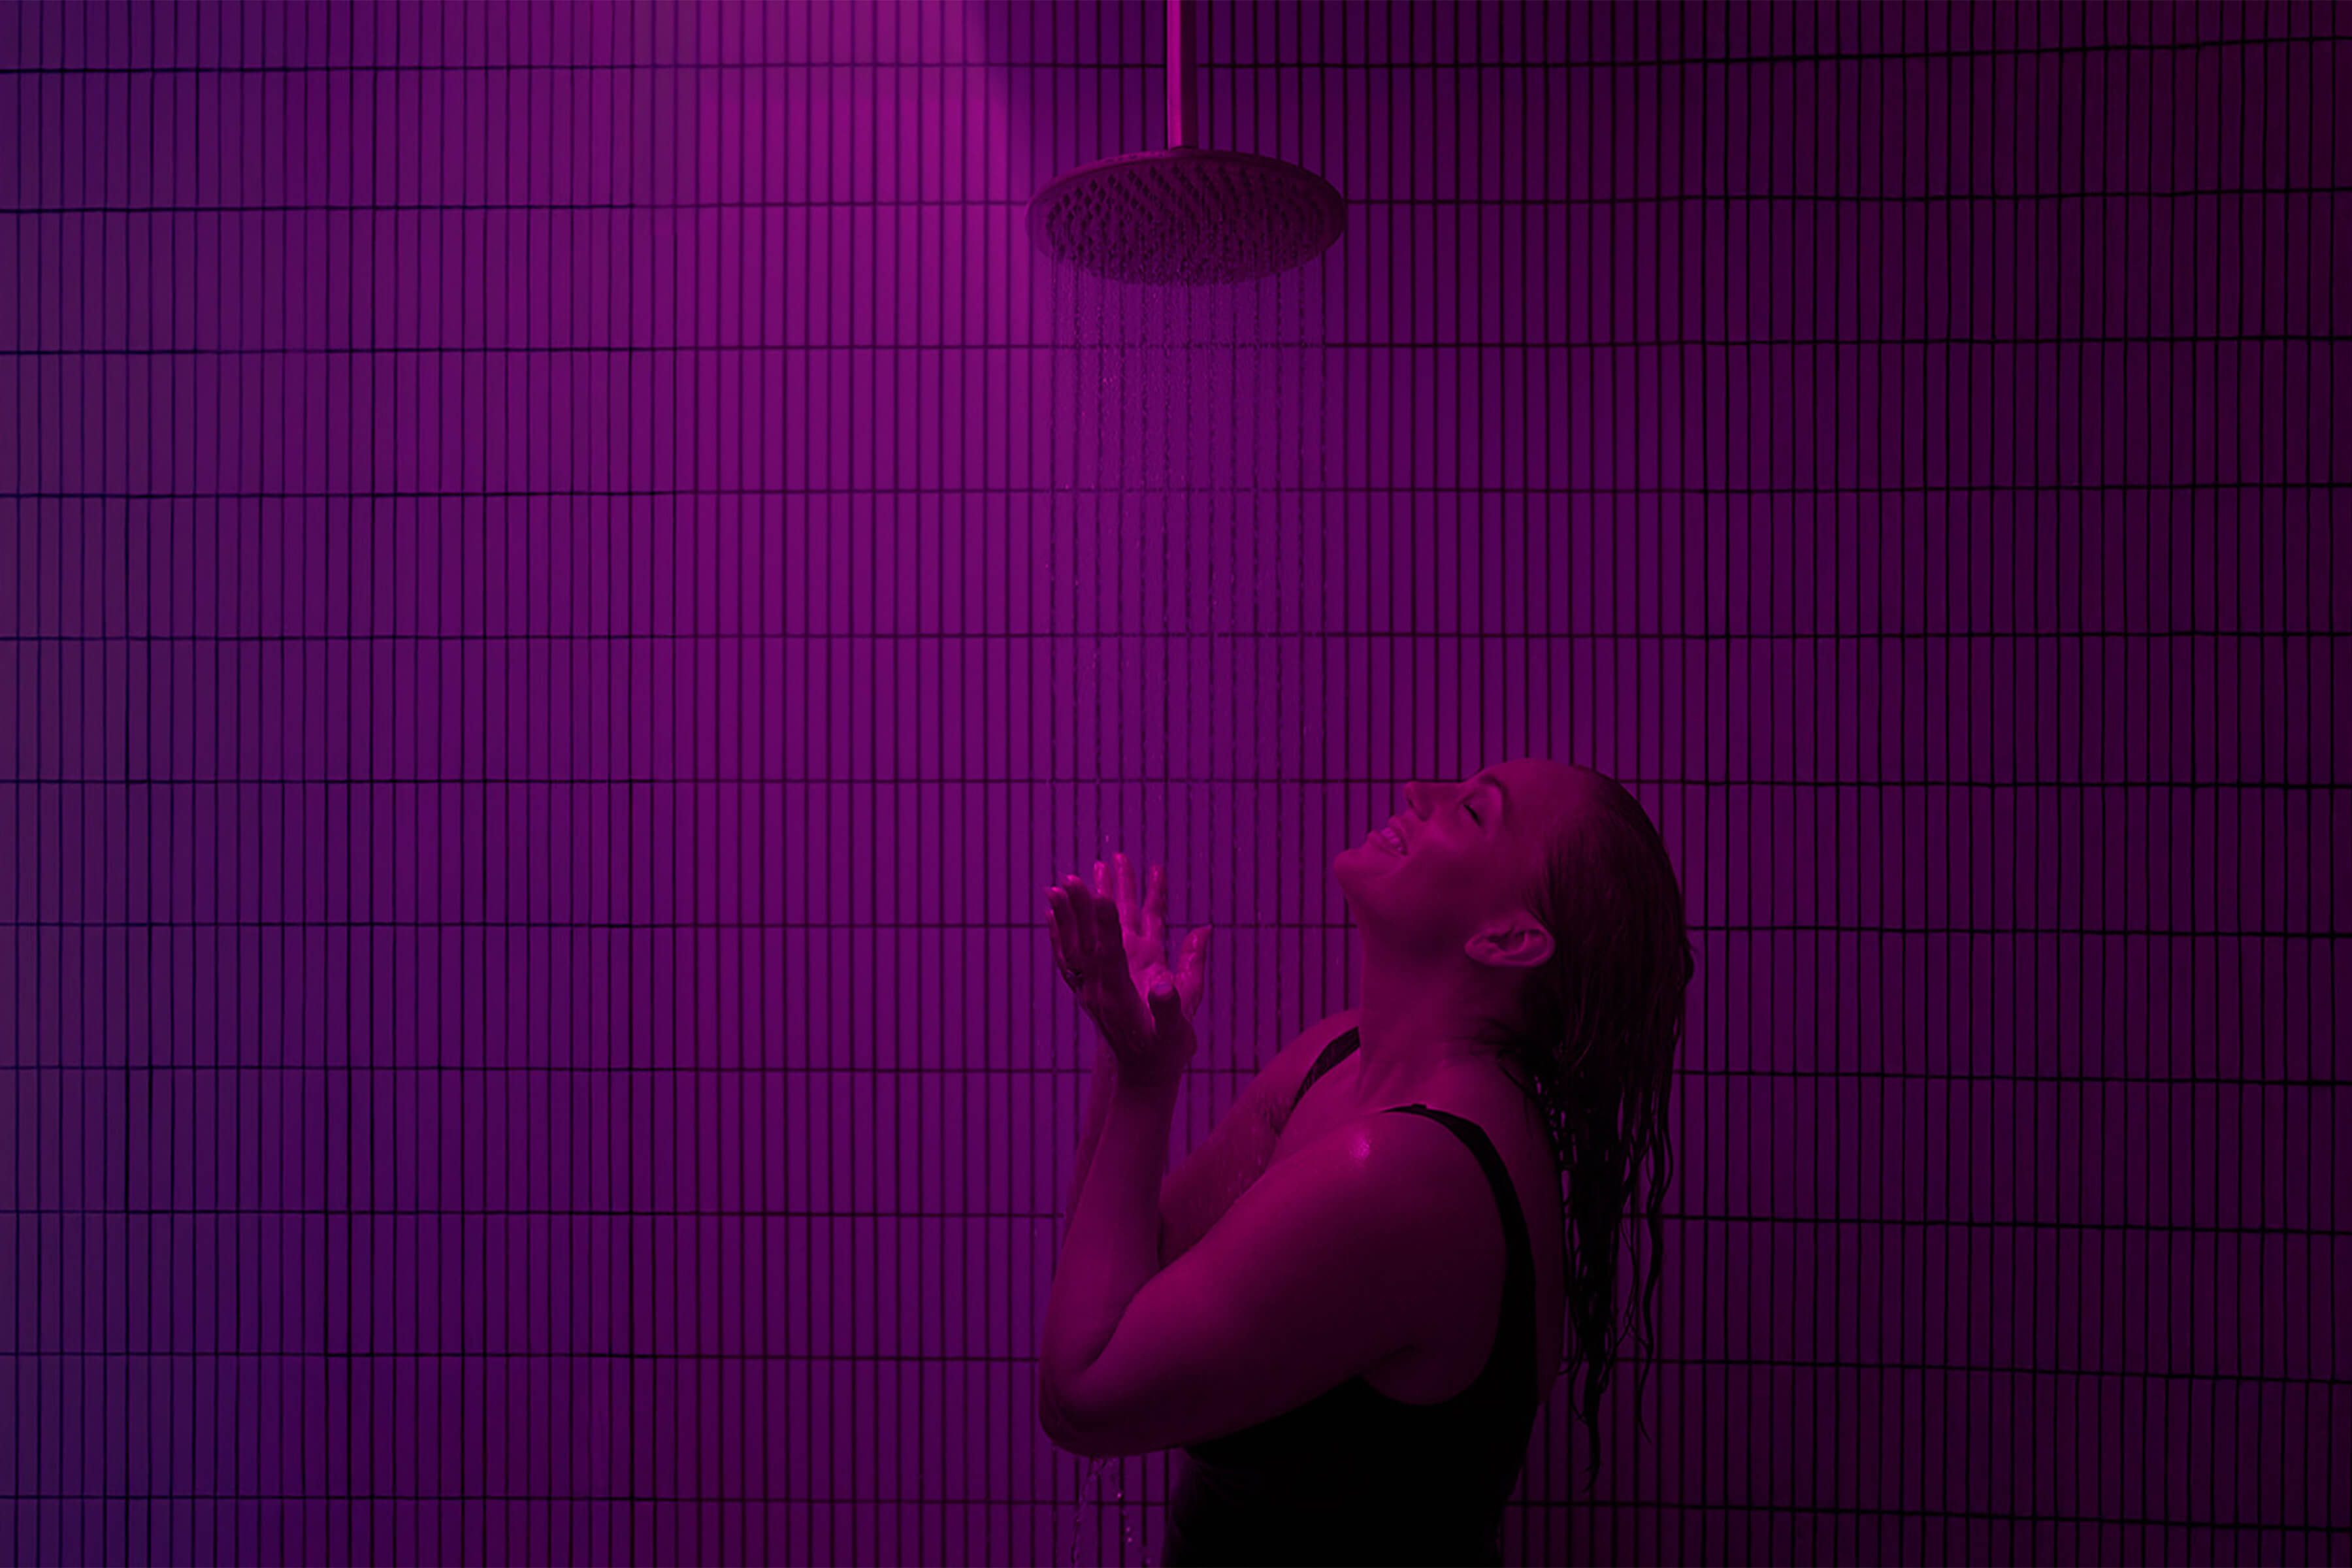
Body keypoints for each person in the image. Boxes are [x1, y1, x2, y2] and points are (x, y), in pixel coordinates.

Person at [1041, 759, 1695, 1565]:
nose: (1420, 793)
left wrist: (1145, 1085)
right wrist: (1125, 1045)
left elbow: (1082, 1396)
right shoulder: (1341, 1056)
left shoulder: (1410, 1177)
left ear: (1509, 938)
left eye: (1473, 812)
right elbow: (1119, 1280)